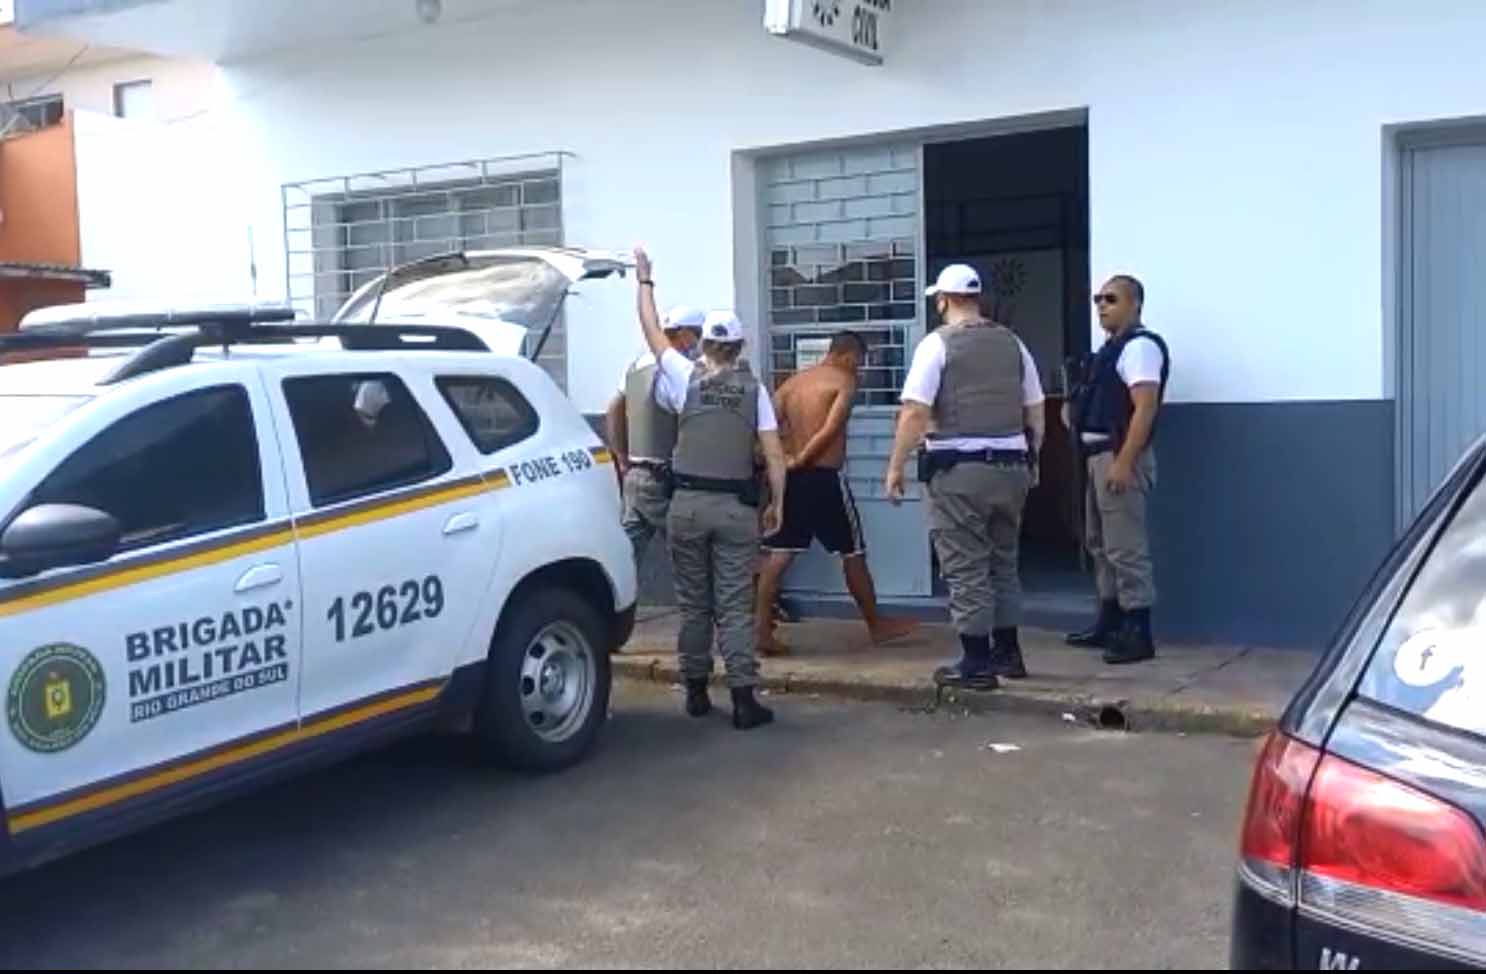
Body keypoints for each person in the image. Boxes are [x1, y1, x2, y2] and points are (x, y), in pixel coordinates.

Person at [632, 246, 787, 730]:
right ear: (740, 347)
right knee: (735, 607)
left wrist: (645, 280)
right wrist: (778, 503)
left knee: (694, 605)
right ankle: (744, 700)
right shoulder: (755, 391)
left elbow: (651, 330)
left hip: (686, 507)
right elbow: (774, 454)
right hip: (735, 510)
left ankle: (696, 692)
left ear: (703, 345)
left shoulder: (685, 378)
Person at [884, 264, 1046, 689]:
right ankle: (1009, 653)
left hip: (959, 470)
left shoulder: (937, 344)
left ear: (943, 300)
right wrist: (1033, 458)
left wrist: (896, 465)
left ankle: (977, 662)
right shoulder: (1013, 343)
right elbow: (1035, 407)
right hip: (1012, 467)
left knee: (965, 565)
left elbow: (915, 411)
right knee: (1003, 561)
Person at [755, 331, 918, 655]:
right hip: (824, 478)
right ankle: (876, 625)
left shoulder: (792, 384)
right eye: (860, 360)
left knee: (779, 555)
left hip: (791, 480)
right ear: (848, 355)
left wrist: (783, 461)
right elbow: (829, 430)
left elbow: (766, 429)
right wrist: (802, 459)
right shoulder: (844, 381)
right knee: (852, 552)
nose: (860, 367)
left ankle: (761, 630)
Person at [1065, 275, 1169, 664]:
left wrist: (1125, 461)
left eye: (1111, 299)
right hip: (1096, 456)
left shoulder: (1140, 348)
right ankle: (1109, 622)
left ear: (1134, 304)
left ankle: (1137, 631)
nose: (1101, 306)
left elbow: (1145, 407)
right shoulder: (1108, 351)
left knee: (1126, 547)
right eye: (1098, 299)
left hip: (1118, 455)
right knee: (1100, 543)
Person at [605, 306, 704, 572]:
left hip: (636, 475)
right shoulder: (676, 372)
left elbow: (614, 408)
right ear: (683, 334)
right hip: (665, 478)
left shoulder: (637, 365)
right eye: (698, 335)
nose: (699, 344)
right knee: (691, 557)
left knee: (628, 559)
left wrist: (622, 457)